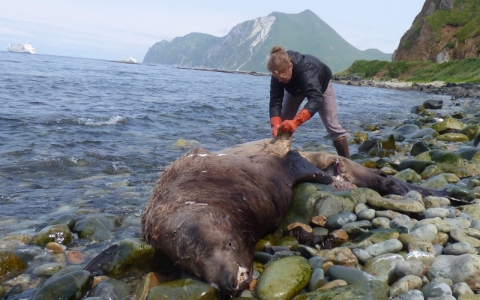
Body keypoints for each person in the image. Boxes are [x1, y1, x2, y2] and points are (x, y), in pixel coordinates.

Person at [267, 45, 350, 158]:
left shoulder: (307, 69)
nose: (279, 80)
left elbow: (315, 99)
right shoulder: (277, 72)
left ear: (290, 66)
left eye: (282, 77)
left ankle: (347, 165)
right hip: (295, 90)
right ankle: (280, 160)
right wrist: (275, 124)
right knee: (283, 125)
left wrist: (295, 122)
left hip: (320, 87)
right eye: (277, 77)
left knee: (333, 127)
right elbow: (275, 100)